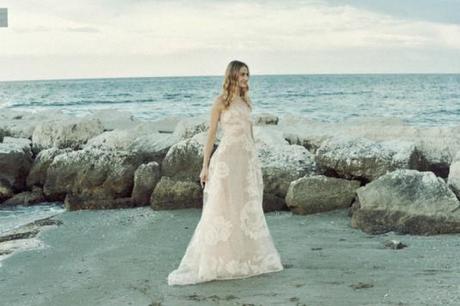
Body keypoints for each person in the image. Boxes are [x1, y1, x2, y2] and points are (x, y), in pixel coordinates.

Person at [167, 60, 284, 286]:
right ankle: (217, 260)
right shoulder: (220, 102)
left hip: (245, 160)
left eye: (247, 74)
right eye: (242, 74)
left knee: (244, 207)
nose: (246, 78)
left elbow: (250, 135)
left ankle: (244, 258)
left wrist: (255, 162)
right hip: (226, 161)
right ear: (232, 75)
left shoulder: (246, 102)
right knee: (221, 207)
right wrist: (204, 165)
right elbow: (212, 135)